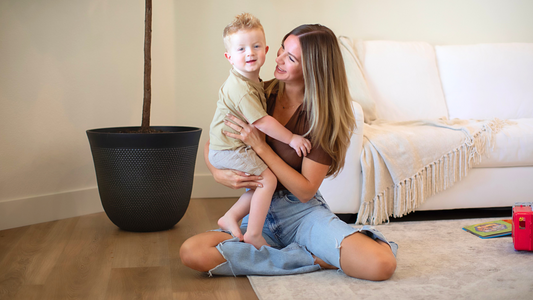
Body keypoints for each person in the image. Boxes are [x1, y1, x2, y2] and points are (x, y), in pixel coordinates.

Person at [181, 24, 398, 281]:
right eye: (282, 49)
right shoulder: (259, 92)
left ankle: (294, 251)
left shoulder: (321, 119)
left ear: (313, 70)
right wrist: (218, 173)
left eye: (291, 58)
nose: (279, 58)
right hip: (258, 214)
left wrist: (261, 147)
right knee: (193, 252)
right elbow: (213, 145)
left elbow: (305, 190)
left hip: (302, 214)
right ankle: (310, 257)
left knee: (380, 264)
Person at [209, 13, 312, 250]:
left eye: (256, 46)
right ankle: (254, 233)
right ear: (229, 57)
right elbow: (262, 122)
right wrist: (292, 138)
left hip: (228, 148)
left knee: (260, 182)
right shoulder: (242, 89)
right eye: (241, 49)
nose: (250, 53)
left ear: (266, 50)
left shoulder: (254, 83)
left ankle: (230, 217)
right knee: (267, 180)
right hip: (228, 149)